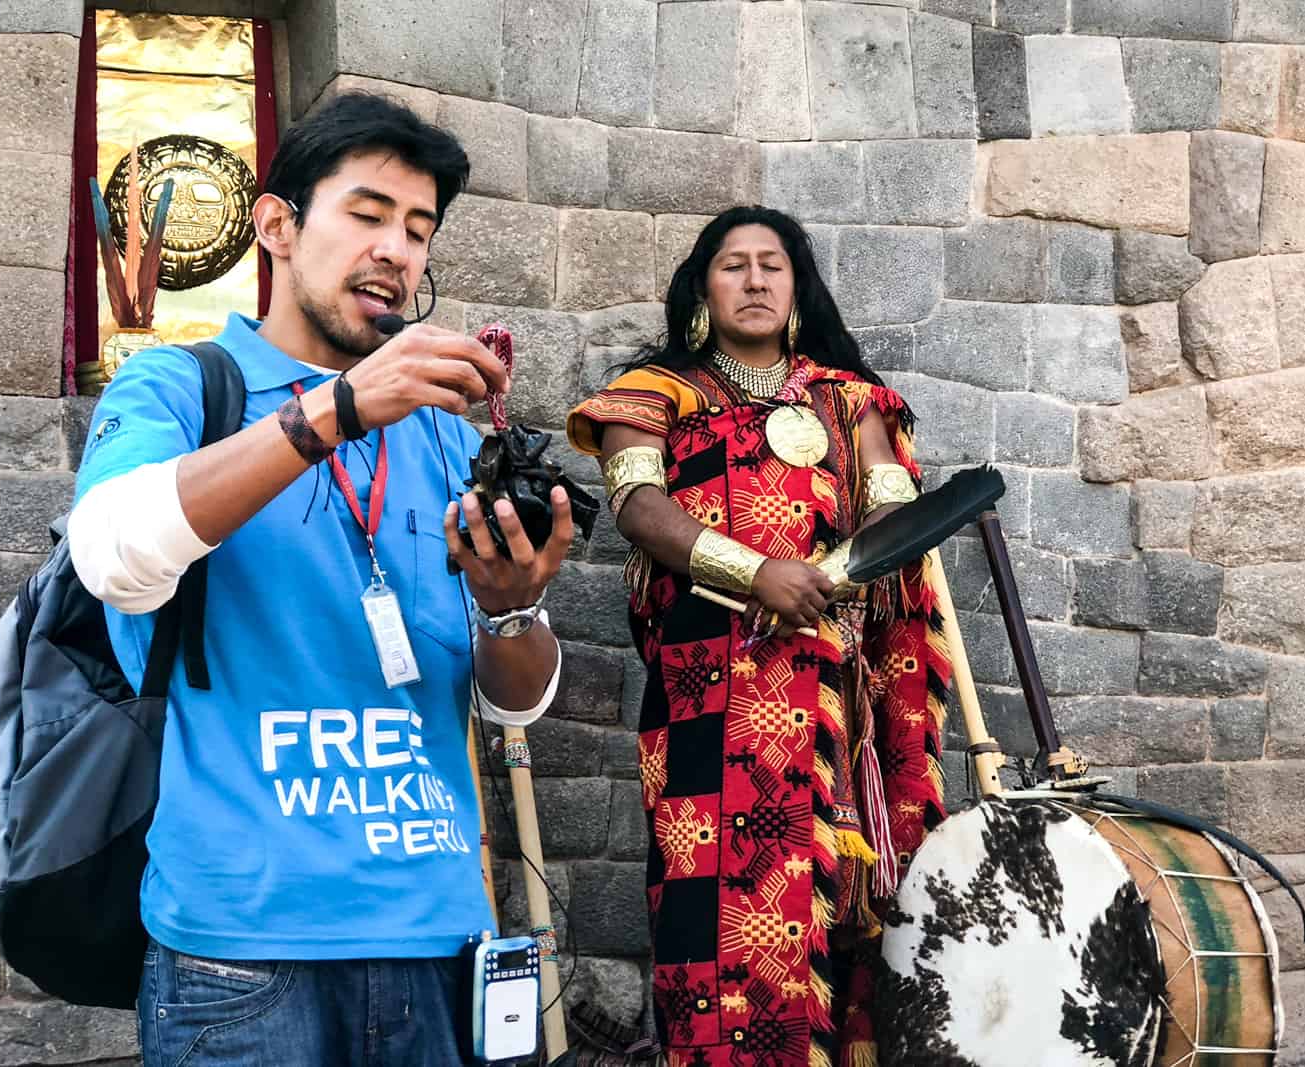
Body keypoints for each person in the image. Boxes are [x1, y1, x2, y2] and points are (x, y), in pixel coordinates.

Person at [67, 92, 573, 1065]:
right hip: (241, 952)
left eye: (418, 230)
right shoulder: (181, 389)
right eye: (368, 213)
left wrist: (516, 607)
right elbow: (112, 555)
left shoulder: (438, 431)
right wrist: (333, 411)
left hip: (436, 935)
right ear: (276, 225)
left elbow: (513, 704)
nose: (396, 249)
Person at [567, 206, 953, 1067]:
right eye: (733, 265)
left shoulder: (851, 400)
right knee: (708, 914)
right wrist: (757, 573)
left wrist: (848, 568)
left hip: (829, 696)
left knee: (843, 909)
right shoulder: (653, 394)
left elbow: (891, 502)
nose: (754, 279)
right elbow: (638, 507)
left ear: (797, 287)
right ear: (704, 288)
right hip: (707, 696)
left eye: (771, 265)